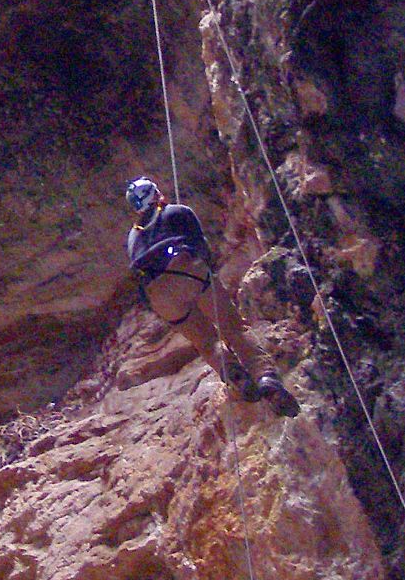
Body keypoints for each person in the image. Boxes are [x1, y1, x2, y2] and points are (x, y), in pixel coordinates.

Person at [124, 176, 300, 417]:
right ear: (155, 194)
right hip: (187, 270)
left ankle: (234, 375)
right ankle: (265, 376)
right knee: (233, 328)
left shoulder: (133, 237)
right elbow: (200, 245)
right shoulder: (176, 212)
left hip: (158, 295)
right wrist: (206, 269)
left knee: (206, 341)